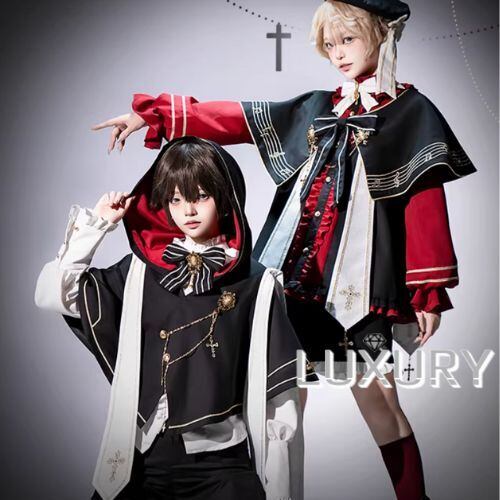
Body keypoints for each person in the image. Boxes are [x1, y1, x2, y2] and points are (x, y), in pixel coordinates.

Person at [92, 1, 476, 498]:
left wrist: (428, 290)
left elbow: (424, 203)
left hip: (359, 291)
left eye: (348, 40)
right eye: (330, 45)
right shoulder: (317, 107)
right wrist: (153, 116)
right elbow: (235, 120)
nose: (338, 54)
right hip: (289, 285)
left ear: (382, 33)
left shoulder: (412, 113)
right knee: (281, 410)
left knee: (381, 403)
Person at [35, 137, 315, 500]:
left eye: (201, 196)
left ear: (225, 199)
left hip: (221, 468)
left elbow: (280, 404)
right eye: (176, 199)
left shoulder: (257, 284)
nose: (188, 211)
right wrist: (97, 225)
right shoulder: (140, 271)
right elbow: (53, 294)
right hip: (139, 464)